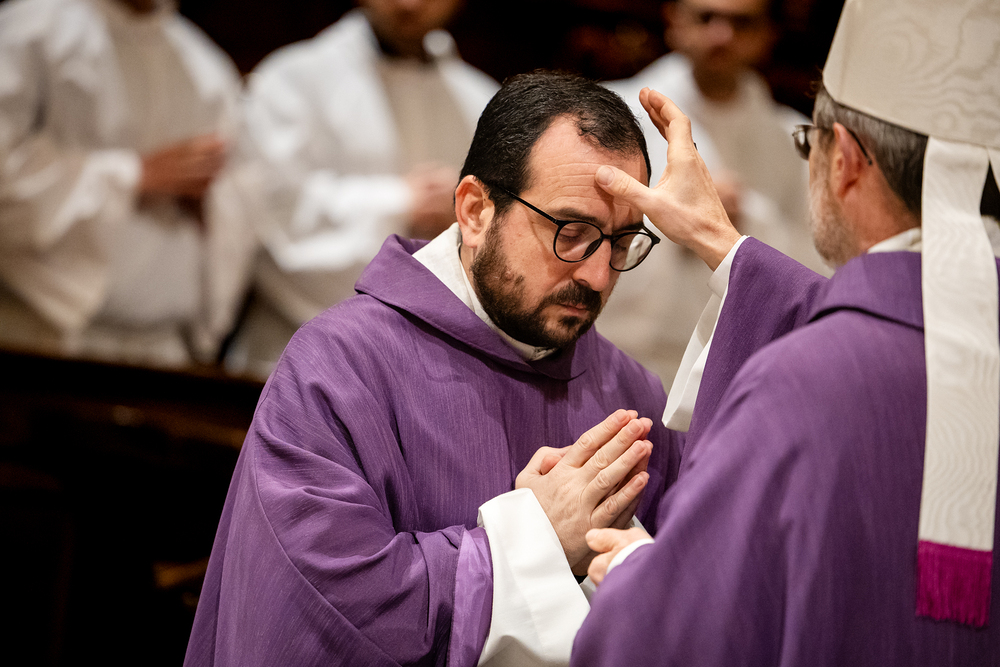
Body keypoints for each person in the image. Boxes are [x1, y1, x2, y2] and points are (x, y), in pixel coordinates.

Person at [184, 71, 685, 667]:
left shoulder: (632, 395)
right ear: (475, 210)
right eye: (570, 233)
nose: (597, 276)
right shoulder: (338, 370)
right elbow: (327, 614)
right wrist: (531, 542)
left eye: (622, 243)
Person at [571, 0, 1000, 664]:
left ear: (844, 160)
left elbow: (680, 633)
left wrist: (634, 575)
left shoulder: (802, 381)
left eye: (809, 143)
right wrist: (724, 245)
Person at [223, 0, 499, 378]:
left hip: (433, 372)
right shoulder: (293, 79)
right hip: (296, 358)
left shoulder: (481, 101)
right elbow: (266, 221)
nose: (410, 3)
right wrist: (401, 203)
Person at [0, 0, 256, 368]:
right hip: (40, 337)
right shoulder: (32, 30)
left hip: (165, 348)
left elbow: (240, 211)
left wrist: (212, 207)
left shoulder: (206, 67)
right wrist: (135, 176)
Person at [598, 0, 826, 384]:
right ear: (675, 19)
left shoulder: (798, 141)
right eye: (706, 18)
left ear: (768, 34)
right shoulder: (607, 113)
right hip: (617, 352)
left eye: (742, 23)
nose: (722, 36)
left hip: (737, 369)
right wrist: (676, 215)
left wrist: (747, 217)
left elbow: (821, 264)